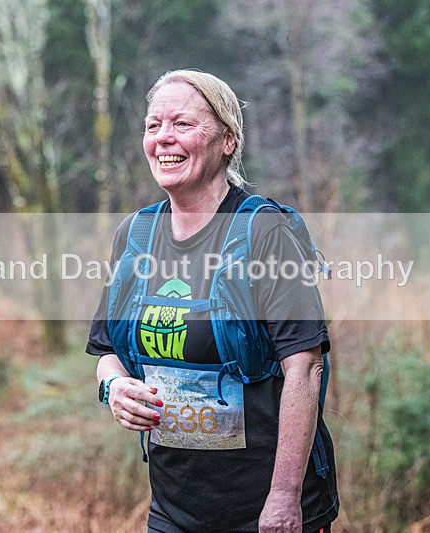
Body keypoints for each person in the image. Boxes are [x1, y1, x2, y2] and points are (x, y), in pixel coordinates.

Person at [87, 69, 338, 532]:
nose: (164, 138)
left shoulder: (264, 232)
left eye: (182, 124)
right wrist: (114, 388)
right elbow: (105, 352)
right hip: (174, 509)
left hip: (264, 509)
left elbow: (305, 367)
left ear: (227, 140)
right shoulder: (137, 235)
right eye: (153, 125)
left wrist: (283, 499)